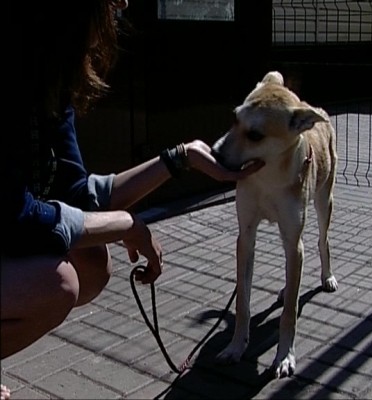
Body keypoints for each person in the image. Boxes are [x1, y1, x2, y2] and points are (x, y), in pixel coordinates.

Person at [1, 1, 262, 398]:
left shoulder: (50, 79)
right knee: (56, 284)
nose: (121, 5)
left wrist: (181, 158)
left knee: (92, 262)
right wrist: (126, 223)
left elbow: (75, 193)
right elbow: (12, 213)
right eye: (112, 0)